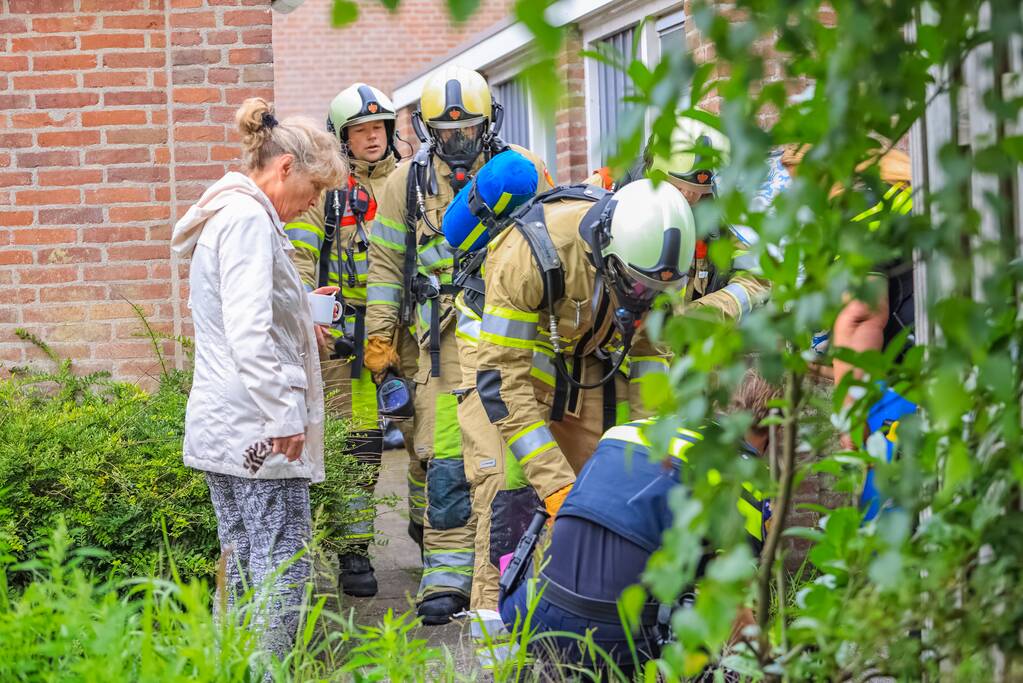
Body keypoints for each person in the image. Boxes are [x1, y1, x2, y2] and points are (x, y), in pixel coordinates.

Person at [362, 65, 552, 623]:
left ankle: (506, 570)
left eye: (466, 132)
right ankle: (445, 578)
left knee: (505, 454)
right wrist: (379, 339)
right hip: (439, 339)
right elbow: (385, 265)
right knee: (443, 458)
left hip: (508, 331)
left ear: (488, 124)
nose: (456, 144)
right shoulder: (407, 183)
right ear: (425, 131)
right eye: (445, 135)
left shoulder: (518, 169)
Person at [465, 178, 696, 610]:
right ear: (606, 253)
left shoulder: (661, 268)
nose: (647, 298)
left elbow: (650, 359)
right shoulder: (531, 254)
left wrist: (654, 460)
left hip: (578, 350)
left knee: (594, 487)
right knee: (511, 488)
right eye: (638, 286)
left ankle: (572, 620)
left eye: (656, 291)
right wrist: (552, 484)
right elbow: (500, 379)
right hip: (497, 357)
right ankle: (495, 635)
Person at [170, 98, 345, 661]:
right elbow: (247, 332)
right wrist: (282, 416)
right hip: (257, 425)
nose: (313, 203)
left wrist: (299, 312)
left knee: (242, 555)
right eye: (314, 189)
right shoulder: (248, 221)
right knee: (284, 562)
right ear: (285, 168)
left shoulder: (228, 213)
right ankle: (271, 673)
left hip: (228, 421)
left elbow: (243, 316)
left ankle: (233, 666)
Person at [498, 369, 780, 676]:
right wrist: (775, 666)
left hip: (536, 615)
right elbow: (735, 615)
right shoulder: (744, 480)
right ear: (774, 432)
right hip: (614, 640)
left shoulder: (631, 431)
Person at [283, 82, 417, 597]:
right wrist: (313, 319)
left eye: (379, 128)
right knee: (357, 447)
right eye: (360, 130)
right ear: (343, 138)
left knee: (426, 440)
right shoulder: (327, 191)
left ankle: (431, 535)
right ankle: (354, 551)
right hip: (350, 341)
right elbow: (298, 258)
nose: (372, 138)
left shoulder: (412, 182)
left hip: (408, 334)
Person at [592, 115, 780, 322]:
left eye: (700, 191)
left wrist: (706, 312)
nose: (690, 197)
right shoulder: (609, 186)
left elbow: (755, 277)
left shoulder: (724, 210)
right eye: (679, 187)